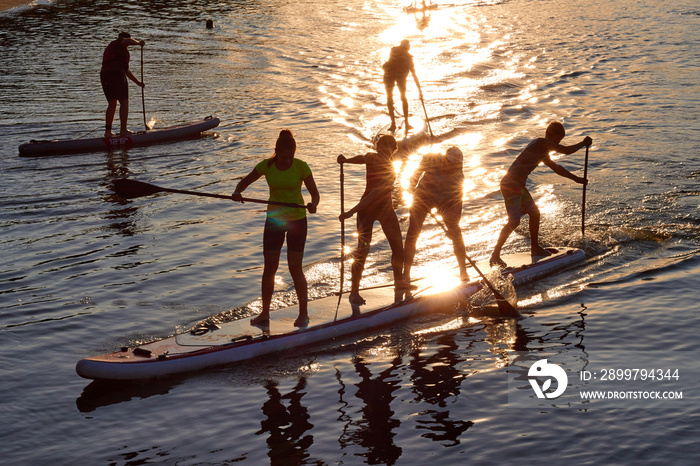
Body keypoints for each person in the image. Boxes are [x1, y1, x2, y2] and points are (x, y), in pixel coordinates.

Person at [232, 129, 320, 327]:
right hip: (274, 221)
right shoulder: (266, 166)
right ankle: (264, 313)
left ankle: (303, 314)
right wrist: (237, 191)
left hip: (297, 220)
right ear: (276, 152)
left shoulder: (301, 167)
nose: (288, 160)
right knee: (269, 268)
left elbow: (315, 194)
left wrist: (314, 204)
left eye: (291, 156)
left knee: (295, 268)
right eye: (284, 156)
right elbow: (245, 182)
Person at [489, 122, 592, 267]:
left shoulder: (542, 150)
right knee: (514, 221)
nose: (558, 143)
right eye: (559, 139)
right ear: (553, 135)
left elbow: (557, 168)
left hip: (518, 186)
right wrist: (583, 143)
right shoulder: (541, 143)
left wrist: (577, 179)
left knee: (535, 213)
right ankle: (495, 255)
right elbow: (566, 150)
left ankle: (535, 248)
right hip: (511, 184)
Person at [338, 135, 407, 305]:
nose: (383, 151)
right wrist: (345, 161)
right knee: (362, 250)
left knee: (398, 247)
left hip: (383, 209)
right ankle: (354, 292)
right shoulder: (372, 158)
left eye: (388, 148)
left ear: (393, 151)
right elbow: (361, 159)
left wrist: (351, 211)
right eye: (381, 147)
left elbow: (376, 193)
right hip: (366, 210)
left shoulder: (391, 171)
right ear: (377, 148)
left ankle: (399, 284)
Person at [404, 146, 468, 284]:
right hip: (422, 197)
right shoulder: (432, 158)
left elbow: (457, 201)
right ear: (445, 158)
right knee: (413, 233)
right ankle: (406, 274)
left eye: (457, 165)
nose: (454, 167)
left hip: (444, 201)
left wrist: (453, 224)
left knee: (456, 232)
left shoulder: (459, 174)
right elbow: (416, 172)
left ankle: (463, 270)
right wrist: (411, 186)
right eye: (451, 163)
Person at [100, 32, 145, 138]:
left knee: (112, 103)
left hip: (105, 75)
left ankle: (108, 132)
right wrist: (139, 43)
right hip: (116, 75)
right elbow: (127, 41)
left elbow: (126, 71)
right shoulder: (118, 42)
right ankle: (123, 130)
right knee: (124, 102)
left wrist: (138, 83)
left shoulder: (117, 50)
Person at [382, 39, 422, 133]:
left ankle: (393, 124)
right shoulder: (408, 58)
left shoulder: (393, 51)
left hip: (388, 77)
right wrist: (419, 90)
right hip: (397, 77)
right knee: (403, 98)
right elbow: (414, 75)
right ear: (408, 48)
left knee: (389, 98)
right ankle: (407, 123)